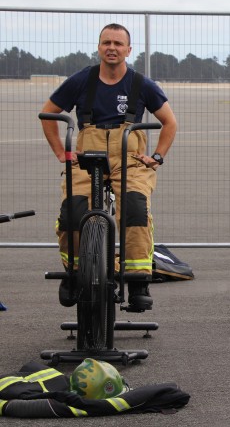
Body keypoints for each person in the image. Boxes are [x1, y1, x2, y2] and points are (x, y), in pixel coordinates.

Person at [40, 23, 178, 311]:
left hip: (128, 156)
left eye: (118, 43)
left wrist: (157, 156)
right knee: (72, 210)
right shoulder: (82, 80)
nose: (112, 48)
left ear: (128, 50)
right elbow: (48, 113)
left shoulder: (141, 84)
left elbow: (170, 122)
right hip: (86, 156)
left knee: (135, 207)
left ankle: (138, 280)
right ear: (99, 47)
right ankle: (74, 274)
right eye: (106, 43)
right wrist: (61, 154)